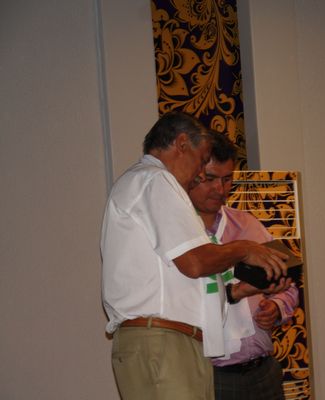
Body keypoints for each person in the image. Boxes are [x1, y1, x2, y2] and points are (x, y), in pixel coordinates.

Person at [101, 111, 289, 400]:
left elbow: (186, 277)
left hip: (173, 342)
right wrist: (244, 249)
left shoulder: (148, 183)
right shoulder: (155, 180)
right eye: (202, 162)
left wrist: (238, 291)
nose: (200, 174)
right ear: (181, 144)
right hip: (162, 341)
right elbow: (195, 262)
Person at [188, 133, 299, 400]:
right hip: (213, 375)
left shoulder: (247, 224)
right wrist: (238, 292)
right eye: (210, 178)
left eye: (227, 179)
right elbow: (182, 303)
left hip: (263, 368)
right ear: (191, 176)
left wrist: (276, 307)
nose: (220, 189)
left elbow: (287, 284)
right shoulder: (179, 235)